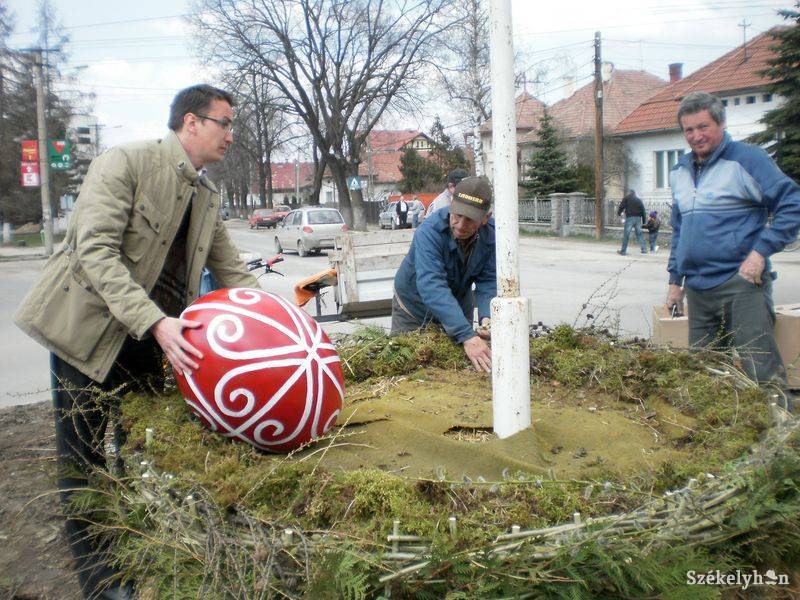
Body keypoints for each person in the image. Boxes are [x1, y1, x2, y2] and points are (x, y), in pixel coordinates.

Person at [14, 84, 261, 599]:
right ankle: (104, 585)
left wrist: (283, 327)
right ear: (190, 123)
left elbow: (235, 273)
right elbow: (95, 252)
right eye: (225, 123)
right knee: (84, 462)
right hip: (87, 336)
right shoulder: (125, 163)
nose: (231, 135)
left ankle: (138, 553)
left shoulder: (207, 194)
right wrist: (155, 322)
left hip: (149, 340)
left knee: (139, 455)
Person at [665, 91, 800, 389]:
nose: (696, 136)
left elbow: (792, 204)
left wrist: (760, 253)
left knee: (760, 370)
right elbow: (680, 230)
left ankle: (779, 430)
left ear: (721, 124)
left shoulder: (748, 160)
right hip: (698, 289)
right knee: (705, 375)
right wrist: (676, 280)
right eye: (689, 129)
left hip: (741, 285)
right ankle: (715, 434)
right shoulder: (679, 171)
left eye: (703, 127)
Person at [392, 175, 495, 373]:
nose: (461, 225)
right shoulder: (429, 232)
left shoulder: (491, 235)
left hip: (456, 302)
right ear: (451, 206)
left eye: (470, 219)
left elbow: (488, 280)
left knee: (456, 368)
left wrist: (487, 317)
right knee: (408, 370)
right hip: (413, 308)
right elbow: (432, 286)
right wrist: (466, 335)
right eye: (457, 215)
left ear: (485, 218)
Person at [617, 189, 647, 255]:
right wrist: (644, 221)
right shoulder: (638, 200)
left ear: (629, 193)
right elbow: (643, 210)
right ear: (635, 193)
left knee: (626, 234)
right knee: (639, 234)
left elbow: (621, 206)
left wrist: (619, 213)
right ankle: (644, 249)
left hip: (630, 218)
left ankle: (623, 251)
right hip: (638, 219)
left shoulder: (626, 198)